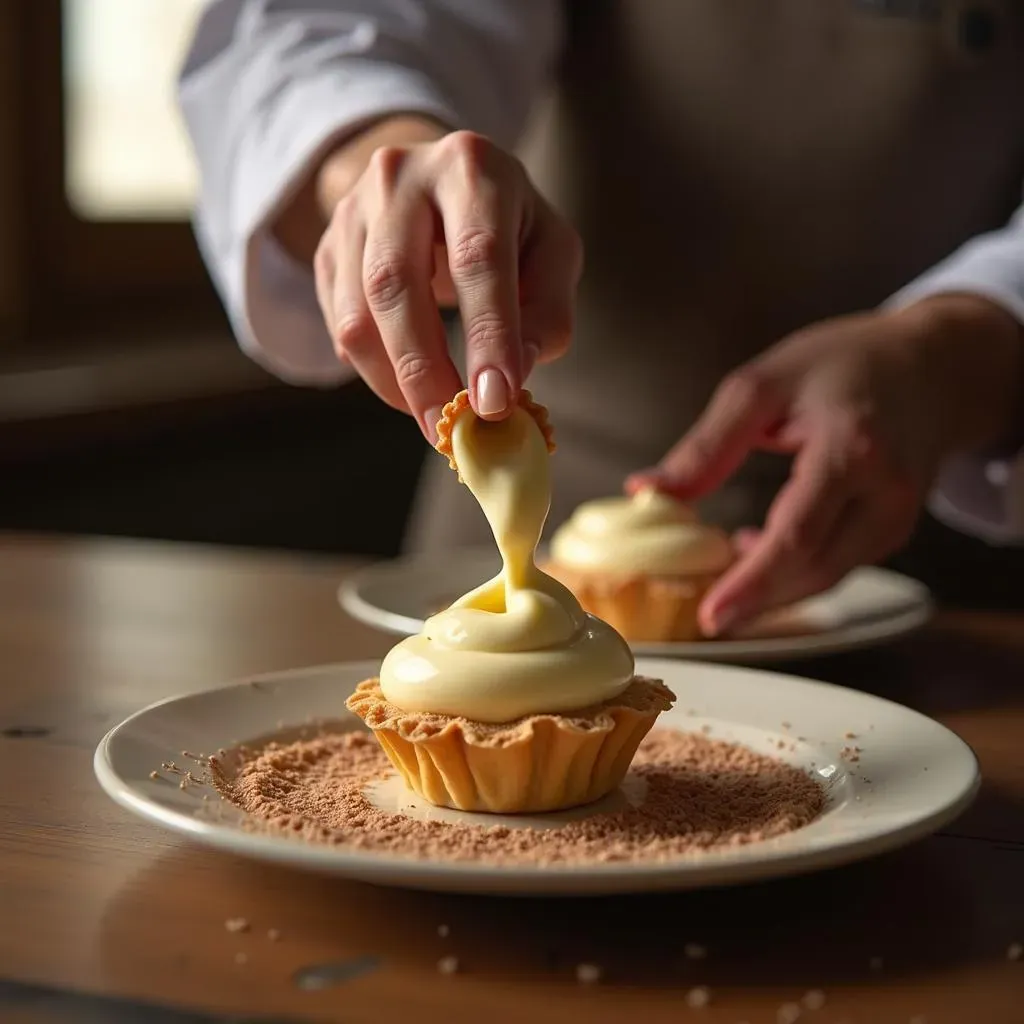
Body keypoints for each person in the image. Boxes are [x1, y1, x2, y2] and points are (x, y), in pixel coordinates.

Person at [178, 0, 1023, 634]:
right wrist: (368, 150)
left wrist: (952, 347)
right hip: (524, 541)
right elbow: (330, 21)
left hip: (952, 604)